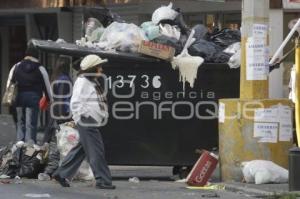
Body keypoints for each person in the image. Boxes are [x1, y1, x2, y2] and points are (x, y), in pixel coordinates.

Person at [53, 54, 115, 189]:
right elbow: (75, 102)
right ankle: (103, 180)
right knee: (96, 150)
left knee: (80, 150)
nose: (101, 70)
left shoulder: (89, 81)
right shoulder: (83, 82)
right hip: (87, 121)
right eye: (99, 67)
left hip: (89, 120)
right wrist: (81, 118)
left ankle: (62, 173)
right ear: (92, 68)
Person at [6, 44, 52, 144]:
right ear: (36, 55)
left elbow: (10, 83)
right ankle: (30, 150)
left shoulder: (17, 66)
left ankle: (19, 147)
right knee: (31, 124)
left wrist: (9, 97)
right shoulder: (40, 68)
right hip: (34, 99)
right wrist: (49, 99)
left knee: (20, 122)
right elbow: (47, 86)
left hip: (19, 98)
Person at [39, 56, 73, 179]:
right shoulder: (65, 79)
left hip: (54, 112)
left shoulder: (56, 78)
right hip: (62, 114)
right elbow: (65, 100)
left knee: (53, 140)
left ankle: (48, 167)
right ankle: (51, 170)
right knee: (59, 141)